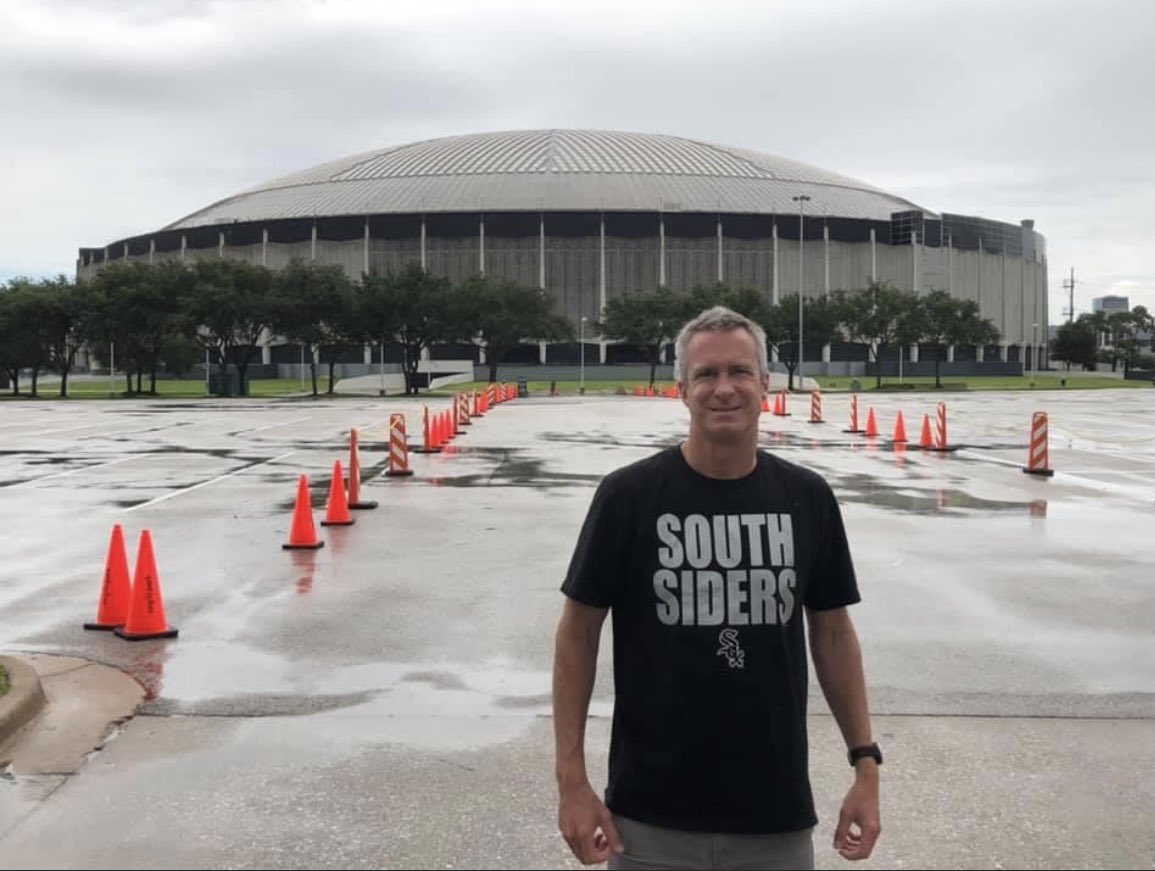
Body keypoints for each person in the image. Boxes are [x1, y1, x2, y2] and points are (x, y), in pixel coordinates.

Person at [552, 306, 881, 869]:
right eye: (706, 374)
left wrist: (865, 768)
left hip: (773, 819)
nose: (723, 388)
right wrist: (571, 783)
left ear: (765, 384)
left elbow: (831, 633)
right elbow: (578, 634)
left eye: (739, 372)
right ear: (682, 390)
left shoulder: (806, 497)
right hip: (648, 820)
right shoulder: (628, 498)